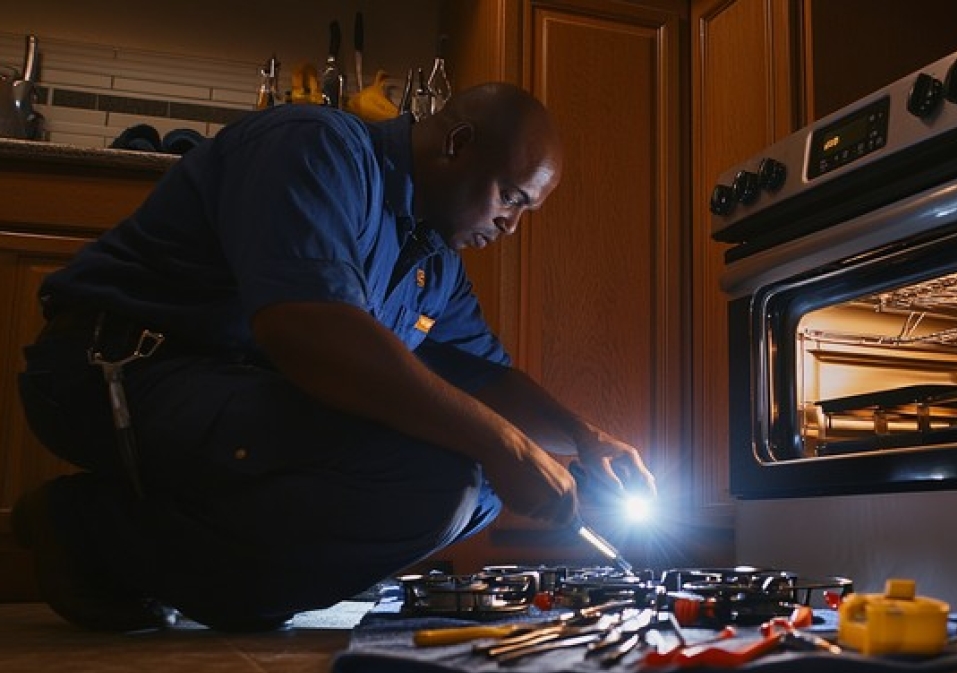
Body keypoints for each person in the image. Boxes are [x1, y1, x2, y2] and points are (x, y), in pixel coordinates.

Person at [13, 82, 655, 632]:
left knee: (480, 483)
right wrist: (505, 446)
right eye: (511, 197)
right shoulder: (316, 147)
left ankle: (200, 569)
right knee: (448, 473)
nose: (512, 225)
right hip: (114, 371)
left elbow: (482, 377)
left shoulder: (434, 259)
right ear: (457, 144)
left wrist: (581, 438)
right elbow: (309, 332)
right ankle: (91, 532)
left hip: (220, 396)